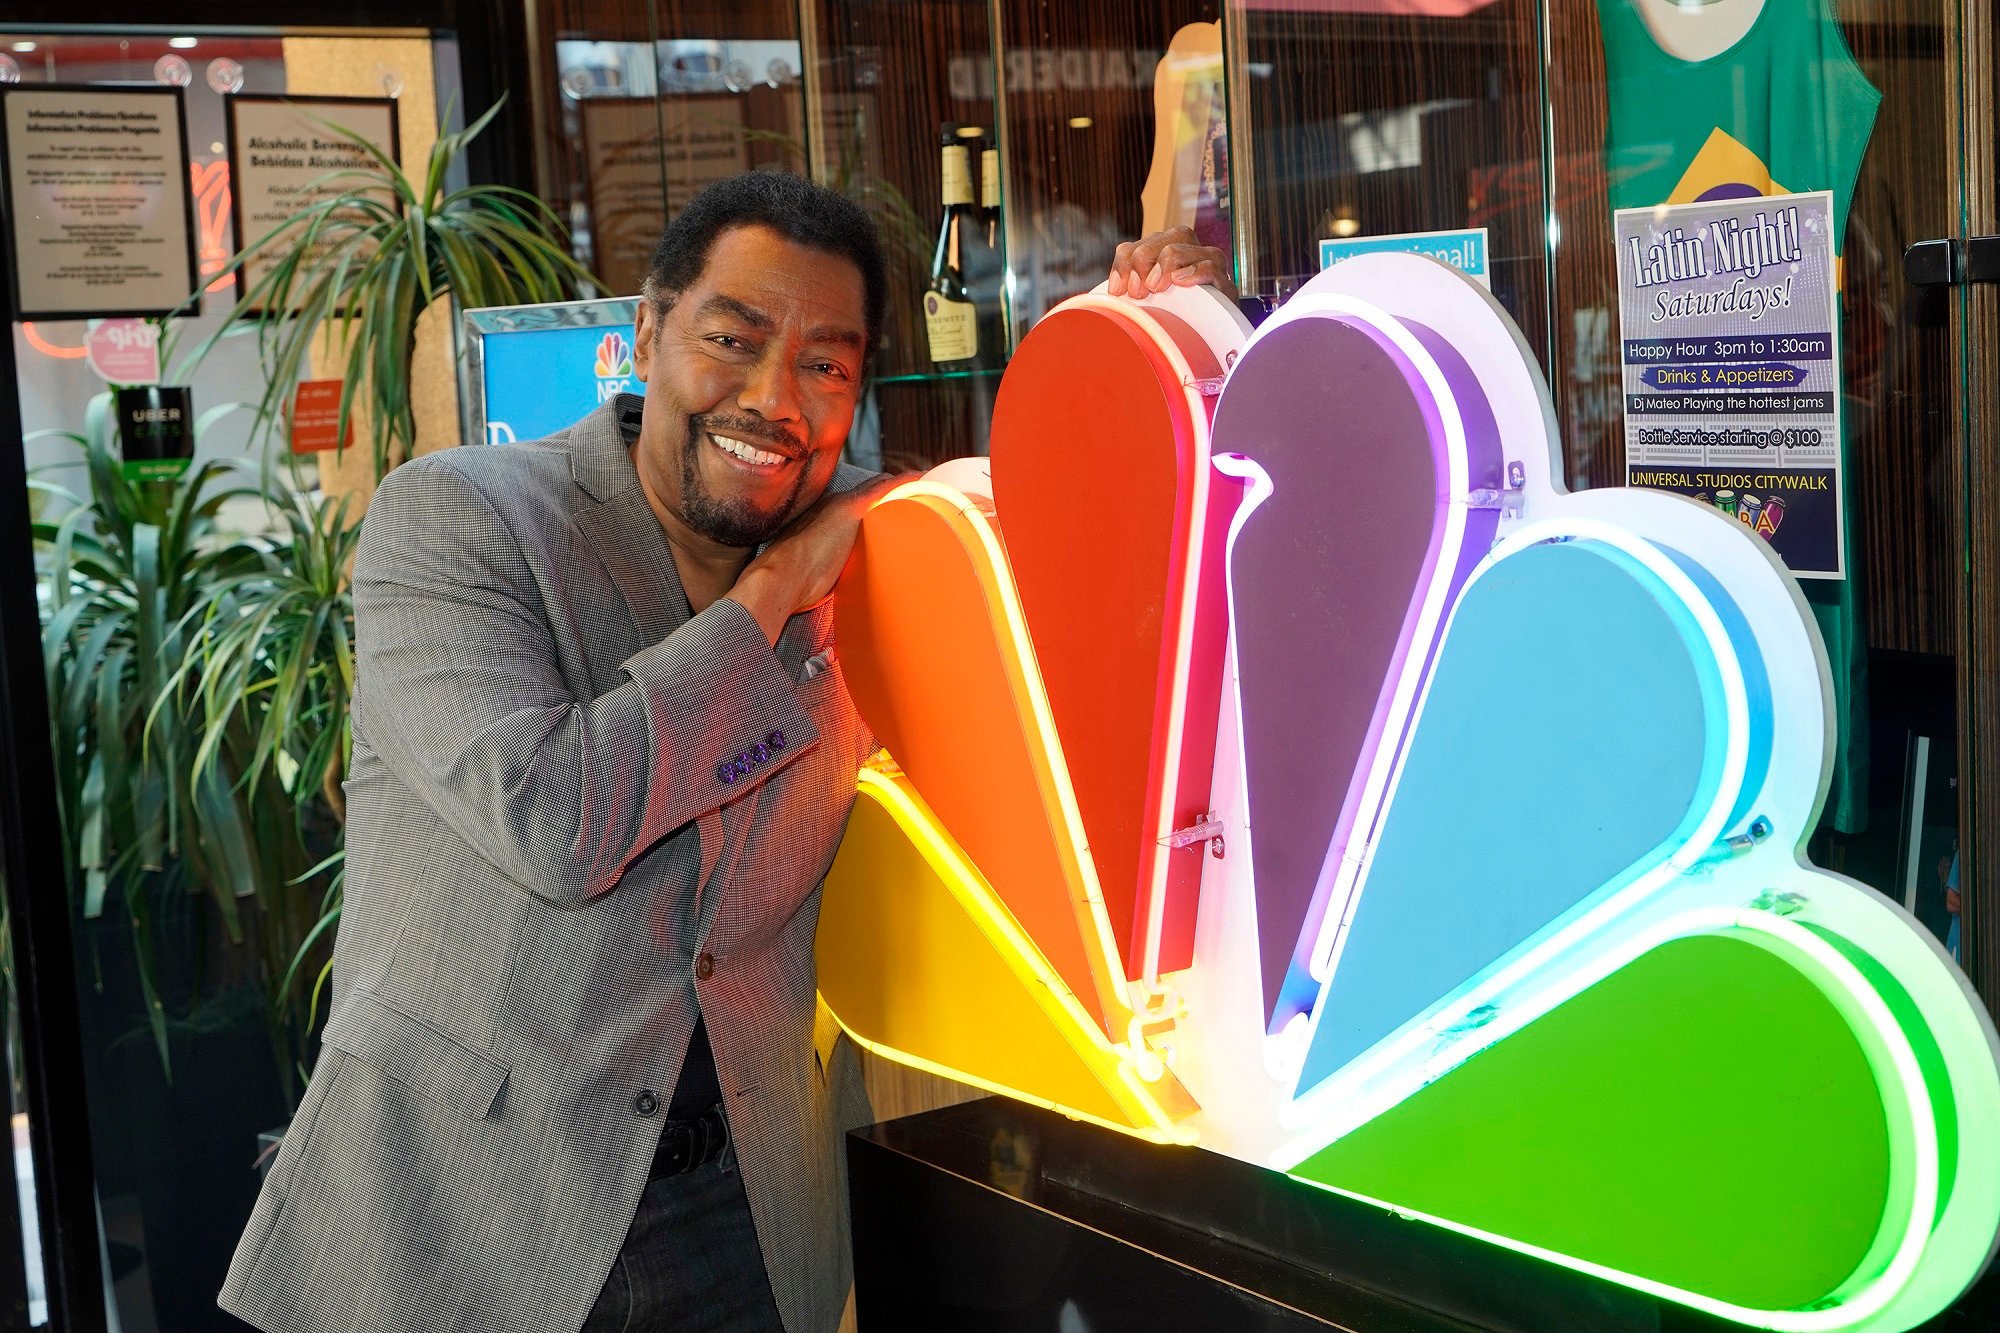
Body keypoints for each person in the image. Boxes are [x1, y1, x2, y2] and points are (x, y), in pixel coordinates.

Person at [220, 171, 893, 1333]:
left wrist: (1170, 300)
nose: (774, 396)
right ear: (644, 334)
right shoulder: (461, 517)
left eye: (826, 365)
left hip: (743, 1214)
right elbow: (555, 818)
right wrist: (773, 593)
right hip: (463, 1218)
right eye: (731, 339)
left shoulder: (879, 553)